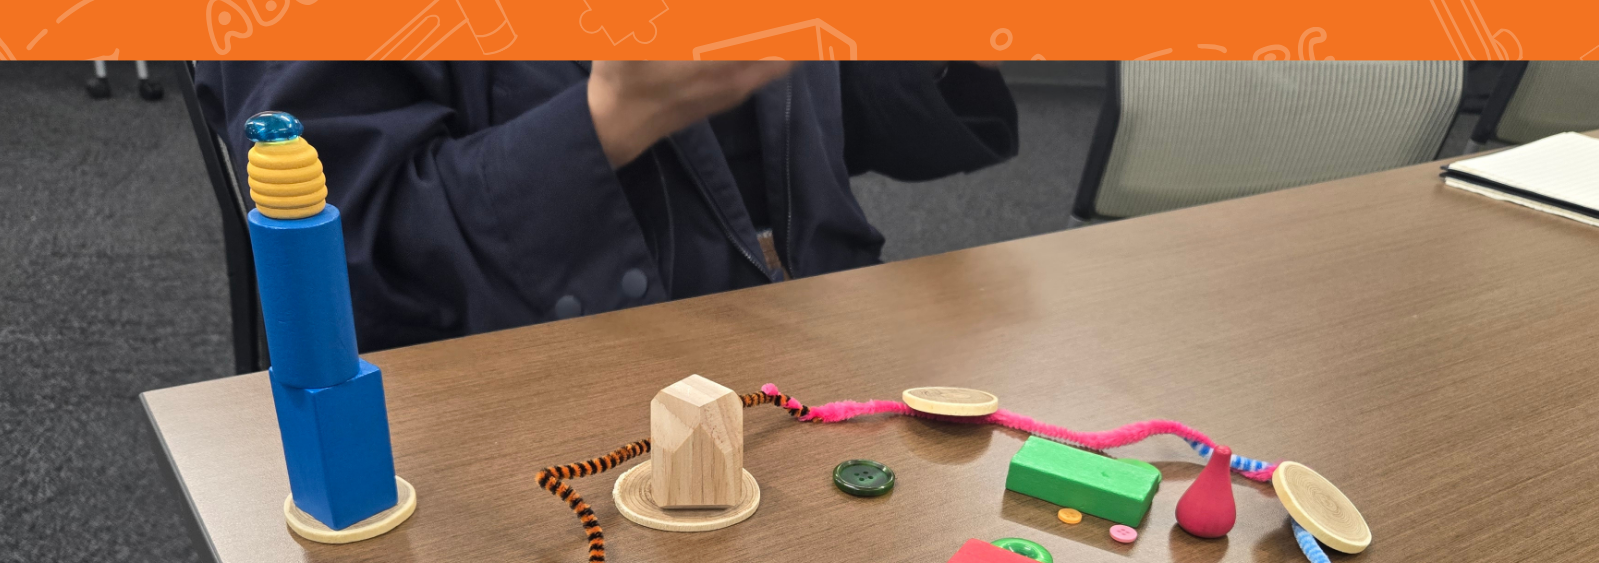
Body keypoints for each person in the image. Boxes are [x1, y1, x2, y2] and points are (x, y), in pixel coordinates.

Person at [196, 61, 1018, 353]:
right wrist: (615, 115)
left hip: (813, 355)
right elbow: (350, 263)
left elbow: (804, 123)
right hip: (545, 426)